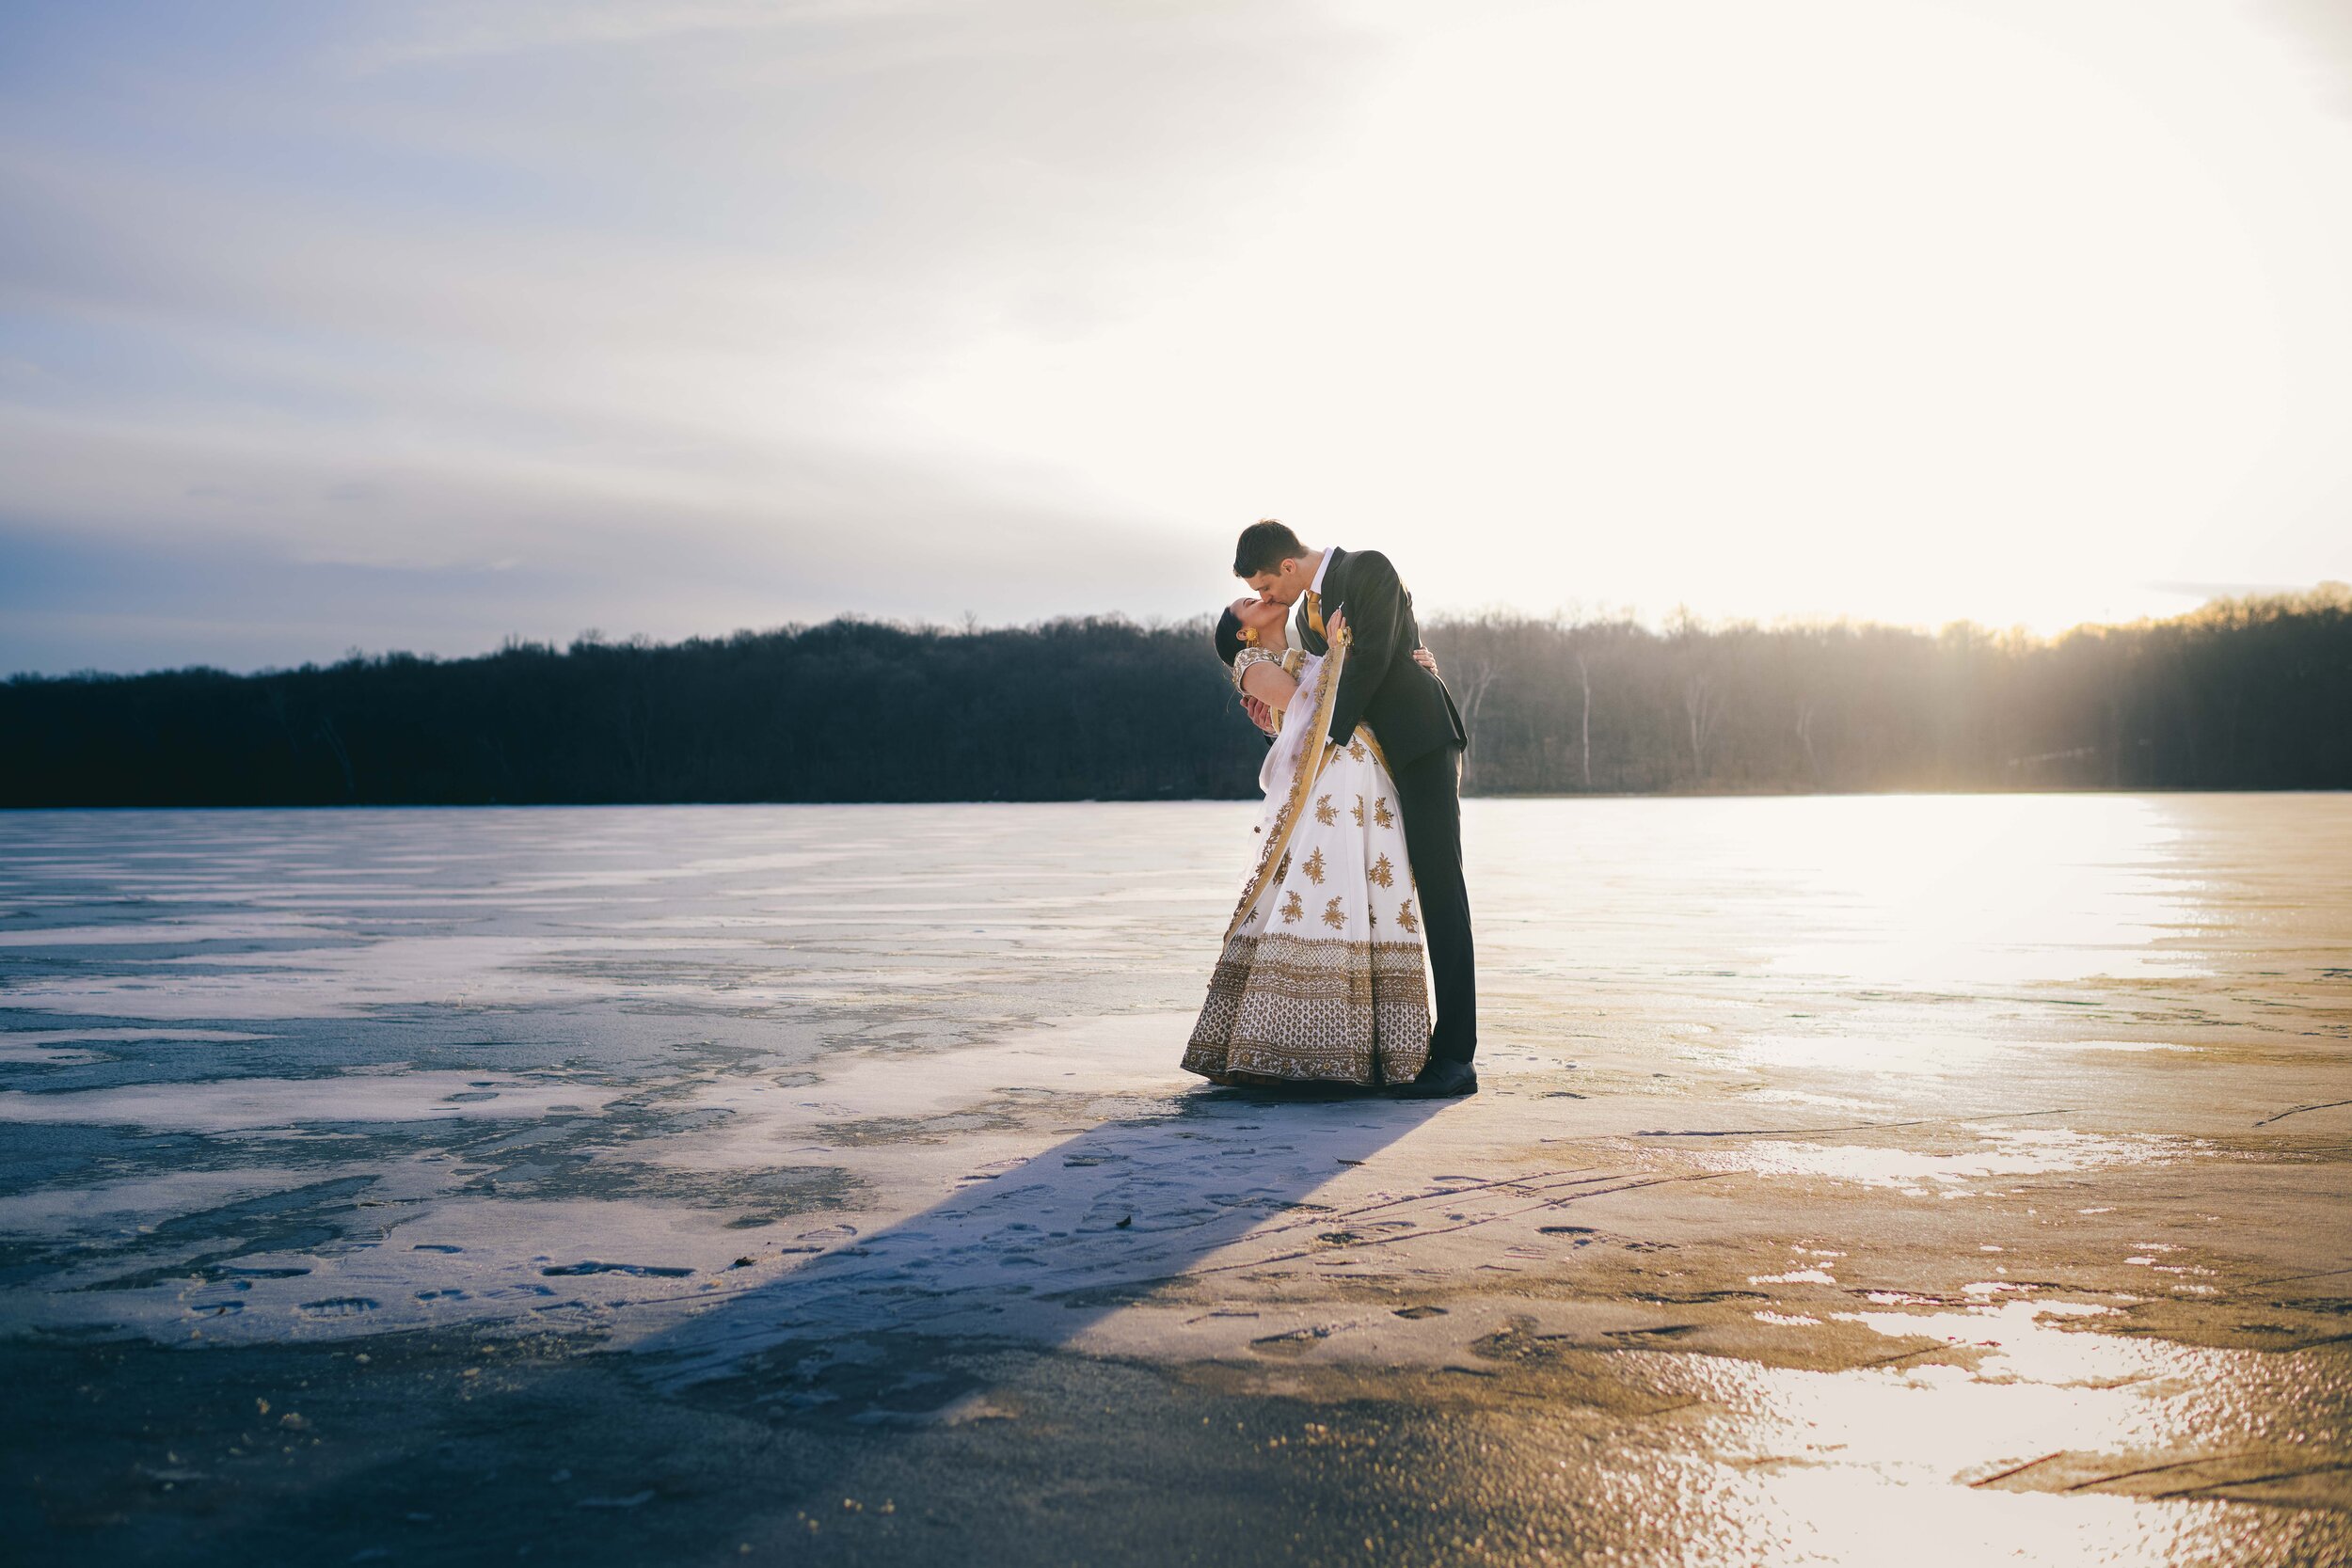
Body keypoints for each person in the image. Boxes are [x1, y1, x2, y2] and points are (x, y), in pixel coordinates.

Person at [1232, 520, 1478, 1098]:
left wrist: (1324, 741)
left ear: (1288, 567)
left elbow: (1368, 660)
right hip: (1372, 760)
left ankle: (1457, 1057)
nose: (1270, 601)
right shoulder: (1306, 617)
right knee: (1399, 893)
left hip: (1418, 744)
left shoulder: (1366, 568)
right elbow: (1338, 673)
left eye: (1268, 588)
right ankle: (1394, 1044)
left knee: (1442, 886)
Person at [1181, 594, 1435, 1089]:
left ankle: (1372, 1044)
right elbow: (1316, 702)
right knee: (1326, 879)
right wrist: (1353, 653)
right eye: (1248, 601)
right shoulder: (1252, 665)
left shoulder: (1304, 650)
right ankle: (1295, 1045)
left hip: (1357, 772)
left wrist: (1407, 667)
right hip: (1326, 782)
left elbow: (1346, 694)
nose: (1263, 596)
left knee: (1371, 884)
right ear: (1242, 632)